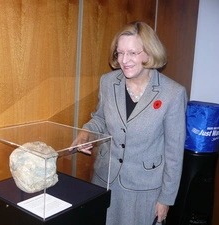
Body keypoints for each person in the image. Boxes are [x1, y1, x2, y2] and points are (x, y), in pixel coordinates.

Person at [72, 21, 188, 225]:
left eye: (133, 53)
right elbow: (100, 119)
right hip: (105, 181)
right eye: (120, 53)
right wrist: (85, 133)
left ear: (149, 54)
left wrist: (166, 199)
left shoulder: (173, 94)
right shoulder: (108, 82)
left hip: (144, 191)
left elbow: (174, 153)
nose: (124, 60)